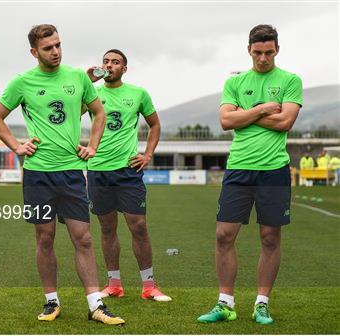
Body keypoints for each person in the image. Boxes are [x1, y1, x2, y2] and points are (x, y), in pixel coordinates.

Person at [0, 24, 124, 325]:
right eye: (48, 48)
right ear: (34, 52)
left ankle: (96, 305)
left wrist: (92, 145)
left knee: (83, 238)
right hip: (38, 174)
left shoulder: (77, 77)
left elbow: (98, 113)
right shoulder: (22, 82)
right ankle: (51, 302)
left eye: (58, 45)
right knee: (45, 237)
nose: (56, 52)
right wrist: (16, 146)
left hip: (72, 172)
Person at [197, 24, 302, 325]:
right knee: (223, 235)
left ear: (277, 50)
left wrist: (246, 114)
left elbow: (285, 122)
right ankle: (225, 303)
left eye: (268, 52)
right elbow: (225, 121)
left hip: (274, 170)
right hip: (239, 168)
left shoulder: (290, 80)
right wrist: (264, 109)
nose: (263, 58)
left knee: (270, 237)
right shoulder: (236, 82)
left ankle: (262, 304)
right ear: (248, 50)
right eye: (257, 53)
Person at [84, 49, 171, 302]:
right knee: (107, 228)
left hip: (128, 171)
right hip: (98, 169)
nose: (109, 65)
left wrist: (147, 154)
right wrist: (88, 82)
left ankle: (149, 286)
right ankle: (114, 284)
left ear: (124, 68)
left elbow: (155, 124)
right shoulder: (93, 93)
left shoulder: (138, 94)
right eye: (106, 61)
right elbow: (71, 113)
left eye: (115, 62)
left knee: (139, 226)